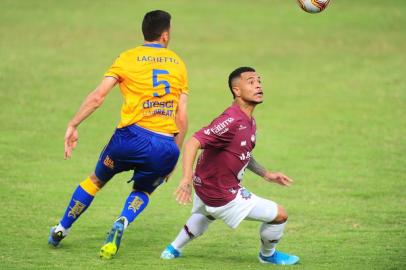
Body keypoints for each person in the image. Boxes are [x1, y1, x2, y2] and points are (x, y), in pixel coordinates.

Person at [48, 10, 189, 260]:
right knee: (144, 190)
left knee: (95, 181)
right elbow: (182, 118)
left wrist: (73, 124)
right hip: (165, 145)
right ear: (166, 35)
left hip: (129, 139)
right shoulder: (178, 63)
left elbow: (97, 97)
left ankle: (61, 229)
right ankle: (123, 221)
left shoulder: (127, 58)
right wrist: (173, 156)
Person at [160, 67, 299, 265]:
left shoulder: (249, 121)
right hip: (221, 192)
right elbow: (193, 142)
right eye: (251, 82)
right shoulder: (231, 120)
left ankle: (173, 249)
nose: (258, 85)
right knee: (280, 215)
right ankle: (267, 256)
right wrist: (185, 178)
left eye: (259, 81)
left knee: (207, 213)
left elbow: (241, 153)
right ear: (237, 90)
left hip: (207, 184)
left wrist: (266, 174)